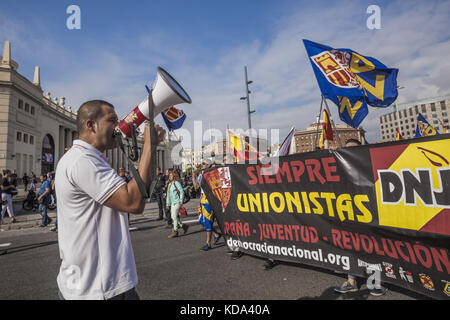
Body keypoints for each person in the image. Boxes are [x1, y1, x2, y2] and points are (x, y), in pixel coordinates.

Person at [55, 99, 164, 300]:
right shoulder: (83, 161)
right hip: (98, 288)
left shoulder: (87, 158)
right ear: (91, 125)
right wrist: (150, 144)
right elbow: (133, 202)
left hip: (93, 285)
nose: (118, 126)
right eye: (112, 120)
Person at [333, 138, 388, 297]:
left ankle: (375, 282)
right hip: (350, 213)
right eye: (347, 150)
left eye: (354, 150)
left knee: (373, 247)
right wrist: (334, 152)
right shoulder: (342, 164)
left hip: (371, 213)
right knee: (351, 245)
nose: (350, 153)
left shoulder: (369, 164)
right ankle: (351, 282)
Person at [193, 160, 222, 251]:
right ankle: (216, 234)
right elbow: (196, 187)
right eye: (202, 163)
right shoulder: (201, 175)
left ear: (208, 165)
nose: (202, 165)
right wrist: (193, 177)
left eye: (204, 164)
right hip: (202, 199)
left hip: (209, 199)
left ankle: (208, 243)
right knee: (202, 220)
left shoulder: (212, 175)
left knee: (208, 221)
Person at [165, 170, 188, 238]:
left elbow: (181, 191)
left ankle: (175, 231)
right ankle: (183, 226)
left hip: (177, 202)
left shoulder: (176, 183)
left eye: (171, 175)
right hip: (172, 203)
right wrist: (167, 204)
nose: (170, 176)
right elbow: (168, 195)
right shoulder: (169, 184)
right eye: (169, 175)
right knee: (173, 216)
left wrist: (181, 200)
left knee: (174, 217)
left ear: (174, 176)